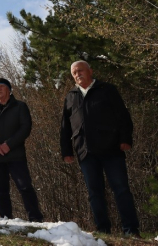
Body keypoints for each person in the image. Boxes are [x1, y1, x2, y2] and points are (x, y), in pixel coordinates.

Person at [60, 60, 140, 236]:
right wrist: (66, 151)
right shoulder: (71, 96)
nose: (77, 74)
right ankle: (103, 231)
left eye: (80, 70)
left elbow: (123, 116)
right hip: (85, 151)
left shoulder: (107, 90)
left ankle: (131, 230)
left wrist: (125, 139)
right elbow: (65, 127)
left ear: (90, 71)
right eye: (74, 72)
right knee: (94, 193)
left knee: (121, 189)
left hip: (111, 148)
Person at [0, 78, 43, 222]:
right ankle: (5, 219)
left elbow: (25, 128)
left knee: (25, 187)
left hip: (15, 154)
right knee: (1, 191)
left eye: (1, 87)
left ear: (9, 90)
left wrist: (9, 144)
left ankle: (35, 219)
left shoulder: (20, 106)